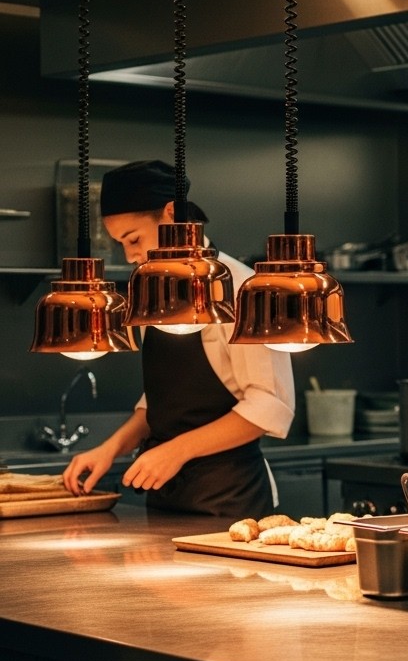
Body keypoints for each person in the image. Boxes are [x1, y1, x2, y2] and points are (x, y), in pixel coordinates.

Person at [61, 160, 295, 517]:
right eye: (120, 244)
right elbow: (165, 399)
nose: (130, 256)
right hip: (167, 497)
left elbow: (269, 406)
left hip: (232, 500)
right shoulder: (152, 291)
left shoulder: (242, 286)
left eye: (134, 239)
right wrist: (110, 449)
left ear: (171, 213)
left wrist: (176, 450)